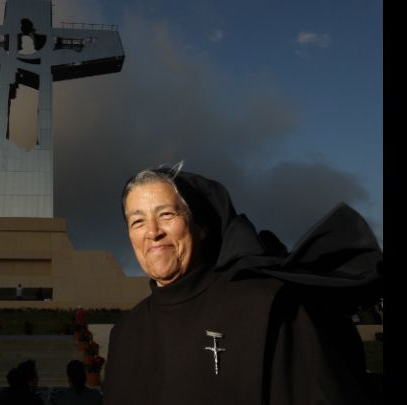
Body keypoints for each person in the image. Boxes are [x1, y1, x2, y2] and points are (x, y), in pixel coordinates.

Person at [102, 165, 383, 405]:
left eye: (166, 215)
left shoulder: (268, 307)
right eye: (137, 221)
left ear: (201, 228)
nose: (152, 232)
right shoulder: (124, 334)